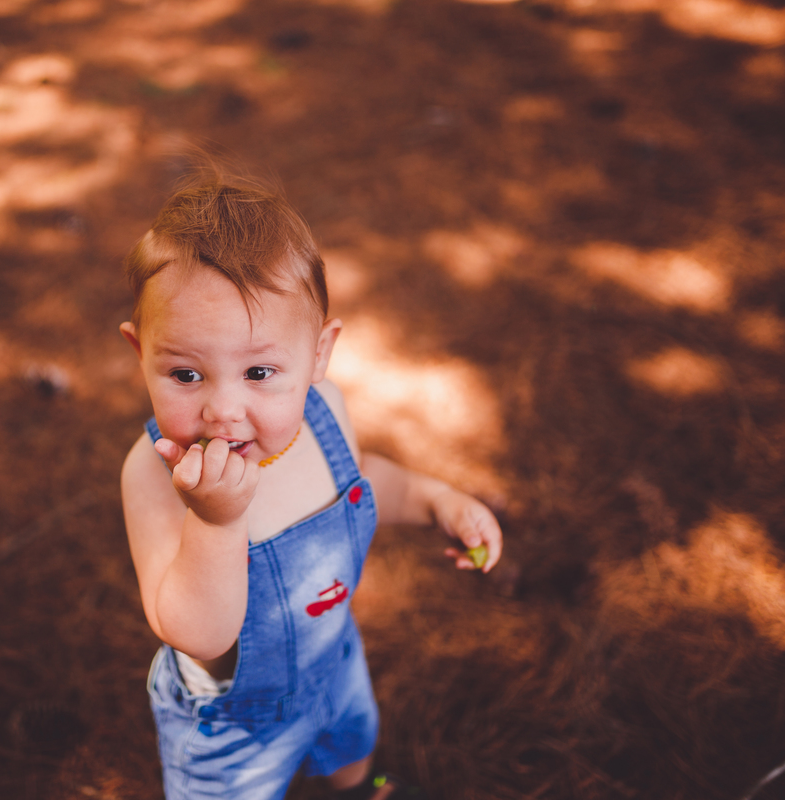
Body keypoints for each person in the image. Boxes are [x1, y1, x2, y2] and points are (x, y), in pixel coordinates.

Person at [118, 172, 503, 800]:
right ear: (141, 352)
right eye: (186, 374)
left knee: (352, 745)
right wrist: (214, 522)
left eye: (261, 371)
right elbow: (195, 632)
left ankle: (358, 790)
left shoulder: (326, 412)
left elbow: (359, 479)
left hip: (336, 665)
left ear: (319, 354)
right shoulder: (154, 474)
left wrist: (437, 499)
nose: (224, 409)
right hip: (235, 728)